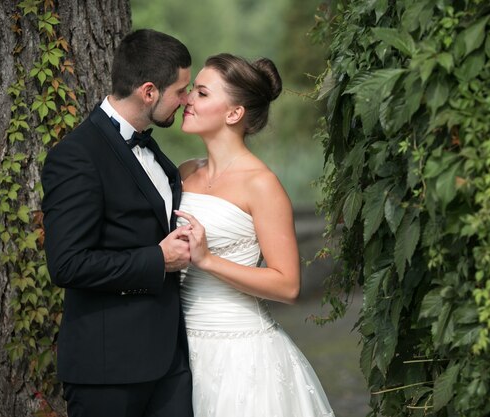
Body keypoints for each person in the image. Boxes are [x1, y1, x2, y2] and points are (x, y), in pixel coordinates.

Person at [41, 29, 194, 417]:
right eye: (181, 90)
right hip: (108, 372)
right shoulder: (77, 156)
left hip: (170, 365)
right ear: (148, 91)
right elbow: (67, 264)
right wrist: (156, 260)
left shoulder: (153, 148)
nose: (187, 99)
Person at [175, 53, 335, 416]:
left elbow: (288, 285)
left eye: (201, 93)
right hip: (178, 348)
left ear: (234, 114)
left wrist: (208, 260)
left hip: (240, 355)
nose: (186, 100)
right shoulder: (184, 172)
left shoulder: (262, 185)